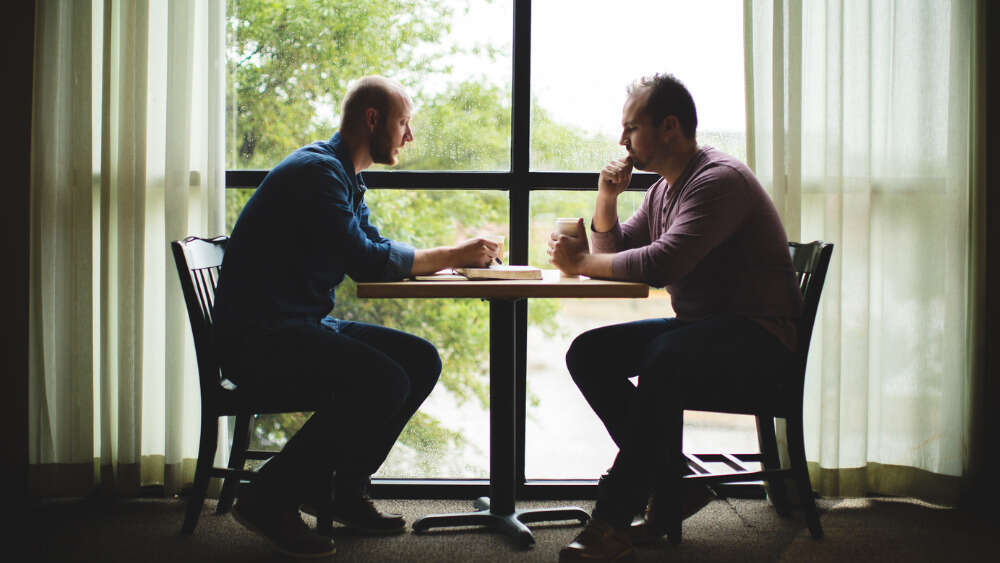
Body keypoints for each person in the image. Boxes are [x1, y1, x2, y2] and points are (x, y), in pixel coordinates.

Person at [213, 76, 500, 558]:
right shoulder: (318, 174)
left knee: (420, 359)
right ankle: (269, 497)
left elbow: (376, 248)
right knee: (384, 381)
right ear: (373, 119)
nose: (409, 136)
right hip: (261, 338)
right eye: (404, 123)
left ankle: (344, 490)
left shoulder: (344, 177)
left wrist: (455, 256)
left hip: (297, 323)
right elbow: (367, 260)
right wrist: (455, 253)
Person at [548, 73, 803, 562]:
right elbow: (619, 251)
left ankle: (613, 519)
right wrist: (606, 197)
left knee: (665, 356)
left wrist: (580, 264)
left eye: (631, 128)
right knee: (589, 353)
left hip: (759, 339)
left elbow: (660, 265)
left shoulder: (718, 181)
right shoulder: (664, 190)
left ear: (669, 127)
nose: (621, 140)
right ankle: (673, 482)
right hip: (703, 330)